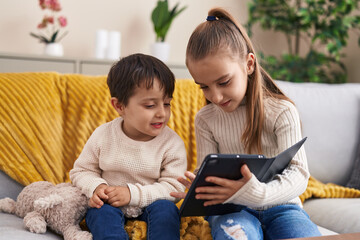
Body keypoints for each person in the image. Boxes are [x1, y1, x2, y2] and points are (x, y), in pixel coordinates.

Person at [170, 8, 321, 240]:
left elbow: (299, 174)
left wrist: (259, 193)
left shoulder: (281, 112)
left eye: (224, 82)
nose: (216, 97)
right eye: (204, 87)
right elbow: (210, 172)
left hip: (283, 206)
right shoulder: (206, 119)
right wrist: (200, 189)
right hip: (231, 210)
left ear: (249, 65)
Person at [70, 53, 187, 240]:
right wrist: (97, 187)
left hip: (151, 202)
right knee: (98, 213)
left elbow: (173, 188)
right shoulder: (103, 135)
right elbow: (81, 171)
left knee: (167, 210)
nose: (161, 113)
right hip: (110, 204)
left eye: (167, 104)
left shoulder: (172, 143)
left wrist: (133, 194)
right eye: (150, 105)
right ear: (120, 106)